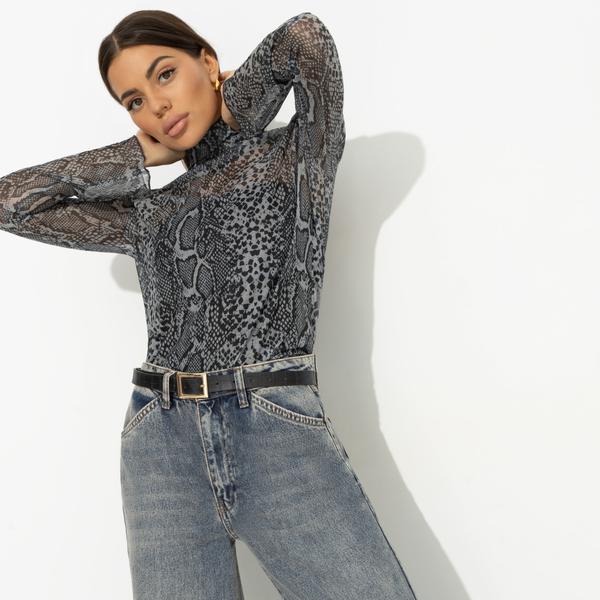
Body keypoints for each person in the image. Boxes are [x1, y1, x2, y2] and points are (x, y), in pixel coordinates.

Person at [0, 9, 418, 600]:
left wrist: (231, 106)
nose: (157, 106)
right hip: (160, 441)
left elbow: (305, 38)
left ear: (208, 61)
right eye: (134, 101)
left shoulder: (298, 157)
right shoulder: (150, 212)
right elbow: (10, 203)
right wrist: (134, 157)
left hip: (274, 426)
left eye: (165, 74)